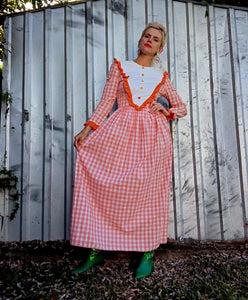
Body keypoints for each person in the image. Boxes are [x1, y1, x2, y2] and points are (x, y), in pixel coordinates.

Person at [70, 22, 187, 279]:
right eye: (146, 35)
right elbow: (106, 103)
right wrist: (86, 130)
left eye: (155, 39)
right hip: (119, 133)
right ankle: (95, 249)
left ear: (160, 48)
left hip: (153, 139)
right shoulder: (121, 67)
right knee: (110, 186)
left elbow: (181, 107)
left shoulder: (162, 77)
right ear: (140, 40)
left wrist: (165, 110)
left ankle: (147, 252)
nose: (149, 40)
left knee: (147, 192)